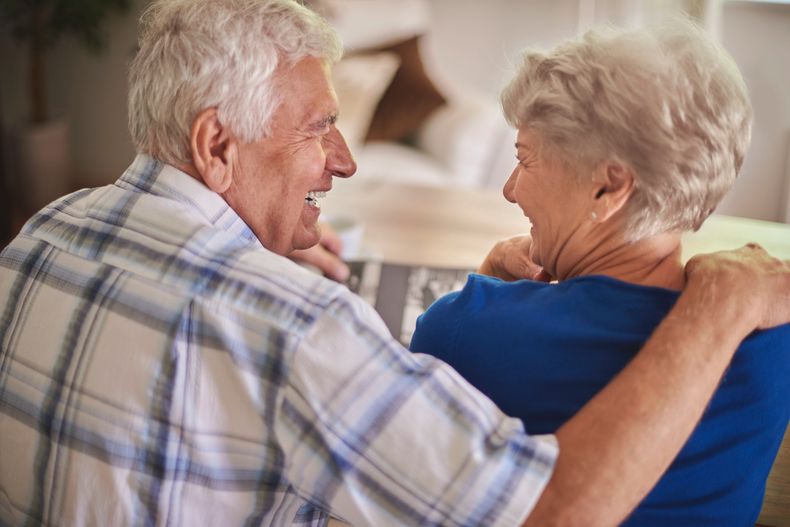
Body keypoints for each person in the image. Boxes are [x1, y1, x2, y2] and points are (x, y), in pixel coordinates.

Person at [0, 2, 788, 526]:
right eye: (319, 127)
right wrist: (716, 310)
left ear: (611, 186)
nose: (343, 161)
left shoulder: (37, 237)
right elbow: (549, 512)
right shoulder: (299, 328)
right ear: (217, 147)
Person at [410, 19, 790, 527]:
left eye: (525, 160)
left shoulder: (463, 332)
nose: (509, 189)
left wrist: (485, 294)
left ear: (609, 188)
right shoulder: (772, 339)